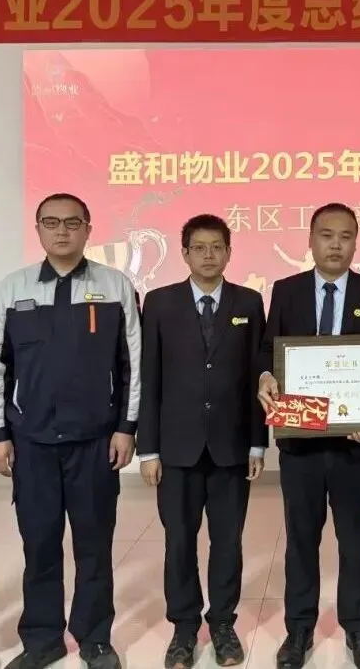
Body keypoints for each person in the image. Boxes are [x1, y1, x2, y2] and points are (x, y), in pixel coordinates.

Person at [0, 193, 141, 669]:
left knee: (94, 546)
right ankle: (42, 640)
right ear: (38, 229)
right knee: (40, 544)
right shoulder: (13, 288)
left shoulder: (114, 286)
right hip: (32, 443)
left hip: (95, 441)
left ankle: (95, 637)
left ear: (89, 229)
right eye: (51, 222)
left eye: (72, 223)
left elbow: (132, 363)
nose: (62, 231)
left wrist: (126, 427)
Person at [256, 202, 360, 669]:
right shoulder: (287, 290)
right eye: (326, 235)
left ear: (356, 242)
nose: (336, 244)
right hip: (301, 440)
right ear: (311, 239)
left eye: (345, 236)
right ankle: (299, 629)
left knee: (355, 540)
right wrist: (264, 375)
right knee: (301, 539)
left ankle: (358, 628)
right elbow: (269, 349)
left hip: (355, 445)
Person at [136, 214, 267, 668]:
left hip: (231, 447)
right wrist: (148, 449)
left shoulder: (249, 302)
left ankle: (224, 624)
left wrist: (257, 443)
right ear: (184, 253)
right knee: (179, 543)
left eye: (217, 247)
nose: (208, 255)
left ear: (229, 252)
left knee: (228, 542)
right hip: (176, 449)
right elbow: (149, 377)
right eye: (199, 247)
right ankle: (184, 627)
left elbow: (258, 376)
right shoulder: (160, 302)